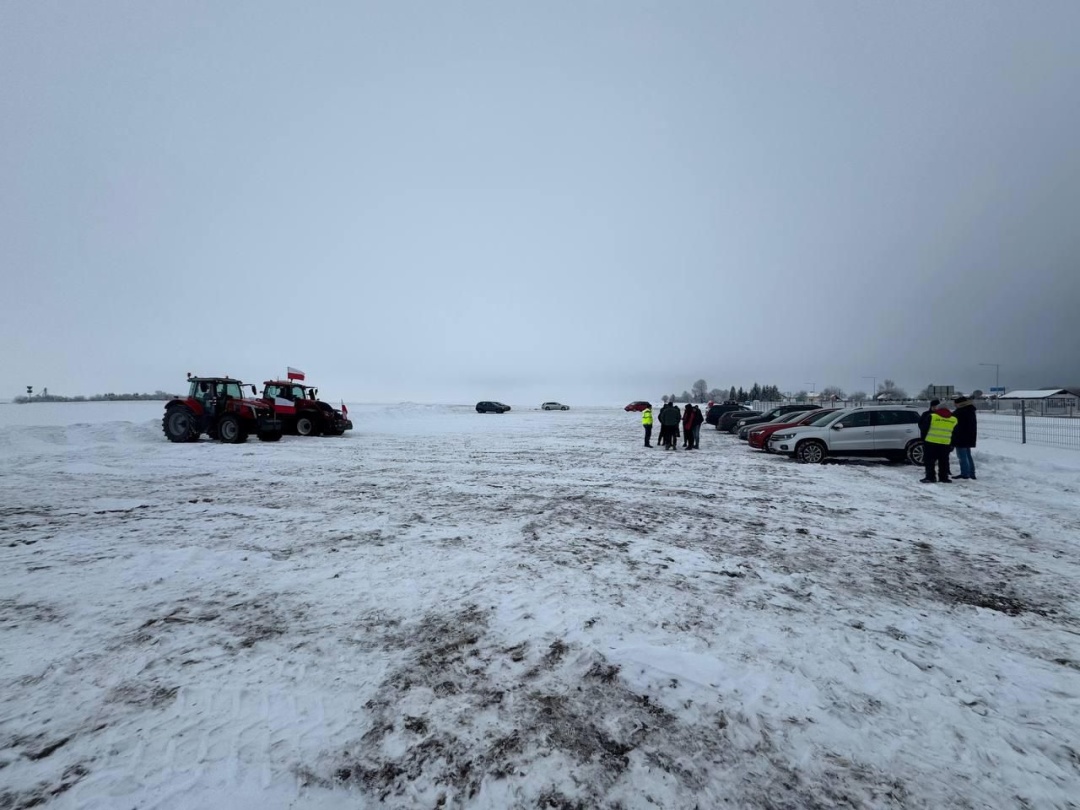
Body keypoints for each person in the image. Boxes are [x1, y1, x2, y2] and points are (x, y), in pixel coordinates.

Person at [920, 401, 958, 483]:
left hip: (931, 442)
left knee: (929, 461)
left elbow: (924, 429)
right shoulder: (954, 419)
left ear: (938, 408)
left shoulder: (932, 416)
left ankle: (930, 477)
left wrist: (923, 439)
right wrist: (952, 443)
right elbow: (955, 433)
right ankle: (943, 477)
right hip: (945, 443)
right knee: (943, 461)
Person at [951, 395, 978, 480]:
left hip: (961, 436)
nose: (954, 405)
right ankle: (971, 473)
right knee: (967, 455)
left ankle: (965, 473)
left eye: (955, 404)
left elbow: (954, 422)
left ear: (960, 404)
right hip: (969, 436)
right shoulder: (970, 410)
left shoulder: (960, 412)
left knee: (962, 456)